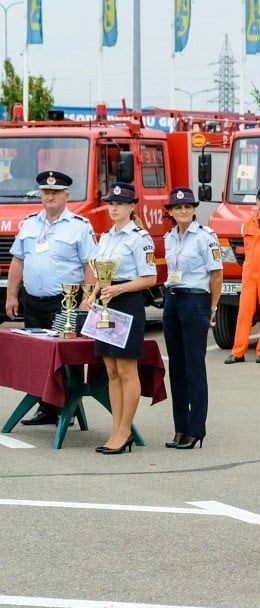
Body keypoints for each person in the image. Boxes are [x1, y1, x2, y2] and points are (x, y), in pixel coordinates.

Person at [5, 170, 96, 425]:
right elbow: (18, 260)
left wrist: (86, 301)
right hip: (33, 300)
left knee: (68, 358)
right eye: (46, 192)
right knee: (38, 358)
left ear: (66, 195)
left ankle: (69, 406)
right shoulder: (30, 223)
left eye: (55, 192)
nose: (50, 196)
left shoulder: (79, 226)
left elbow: (90, 265)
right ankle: (46, 408)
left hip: (65, 300)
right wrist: (12, 295)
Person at [87, 183, 156, 454]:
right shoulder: (105, 237)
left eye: (120, 203)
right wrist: (92, 294)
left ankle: (125, 430)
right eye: (111, 203)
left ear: (131, 207)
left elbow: (150, 277)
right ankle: (115, 429)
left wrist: (119, 288)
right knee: (111, 371)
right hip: (105, 302)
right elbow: (100, 272)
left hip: (126, 302)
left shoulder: (140, 238)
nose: (114, 207)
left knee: (127, 370)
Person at [162, 187, 223, 449]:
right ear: (171, 212)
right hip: (172, 299)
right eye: (177, 208)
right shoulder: (169, 238)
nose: (183, 211)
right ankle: (180, 427)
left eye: (187, 206)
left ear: (194, 209)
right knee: (176, 367)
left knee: (194, 366)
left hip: (195, 299)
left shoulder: (205, 237)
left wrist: (212, 308)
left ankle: (196, 428)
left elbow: (216, 275)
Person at [225, 186, 260, 364]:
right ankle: (238, 352)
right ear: (256, 201)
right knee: (244, 312)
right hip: (249, 274)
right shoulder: (248, 223)